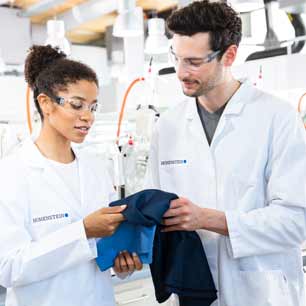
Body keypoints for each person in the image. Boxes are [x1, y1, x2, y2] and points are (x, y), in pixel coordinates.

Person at [144, 1, 306, 306]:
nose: (180, 72)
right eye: (176, 58)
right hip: (192, 288)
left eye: (193, 61)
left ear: (229, 55)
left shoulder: (276, 118)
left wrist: (208, 218)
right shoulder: (167, 126)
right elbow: (156, 210)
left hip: (259, 291)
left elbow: (297, 221)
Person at [0, 45, 142, 306]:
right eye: (77, 105)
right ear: (45, 103)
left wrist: (120, 265)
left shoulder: (96, 167)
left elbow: (106, 248)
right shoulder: (11, 173)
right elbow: (9, 267)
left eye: (93, 107)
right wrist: (83, 231)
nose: (87, 117)